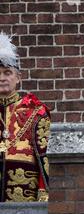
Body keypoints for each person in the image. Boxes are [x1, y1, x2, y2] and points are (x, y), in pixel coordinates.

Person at [0, 32, 51, 202]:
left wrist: (43, 199)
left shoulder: (36, 112)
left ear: (18, 78)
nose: (2, 78)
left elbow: (43, 159)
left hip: (24, 200)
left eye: (7, 73)